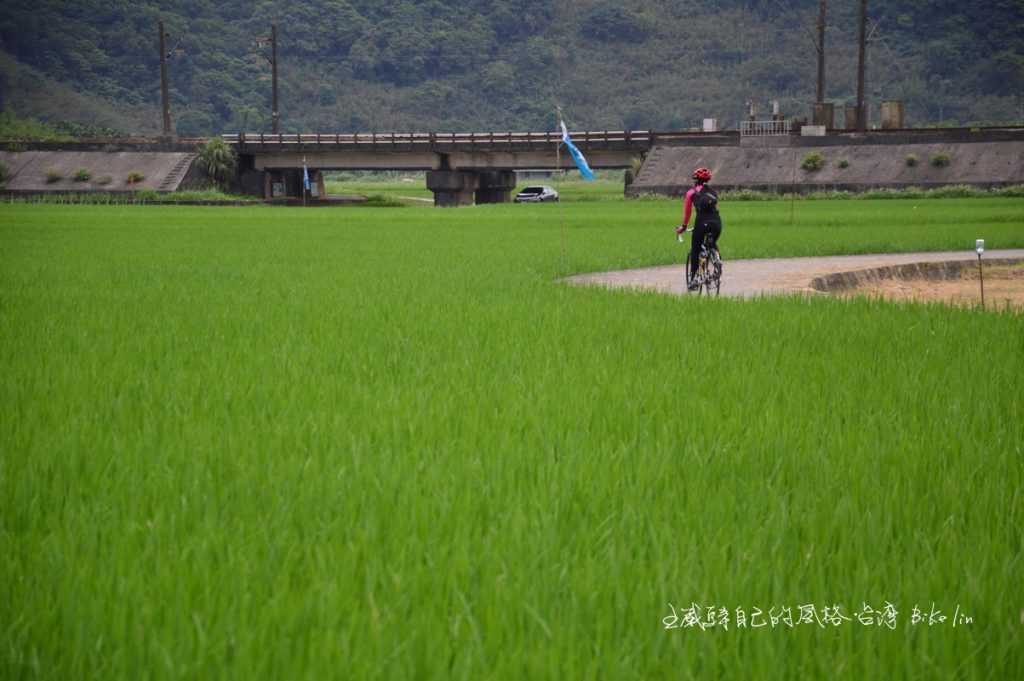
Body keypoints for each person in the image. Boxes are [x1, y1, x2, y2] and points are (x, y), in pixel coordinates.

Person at [675, 167, 721, 290]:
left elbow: (687, 213)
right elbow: (716, 209)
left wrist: (683, 227)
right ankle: (717, 260)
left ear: (695, 180)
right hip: (717, 223)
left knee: (695, 249)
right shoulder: (713, 192)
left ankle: (694, 279)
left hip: (701, 222)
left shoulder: (691, 193)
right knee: (712, 242)